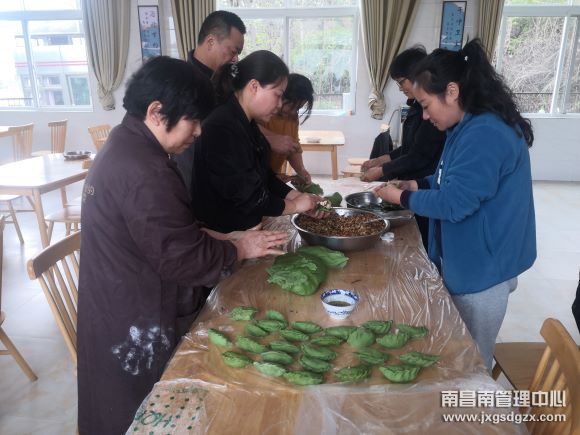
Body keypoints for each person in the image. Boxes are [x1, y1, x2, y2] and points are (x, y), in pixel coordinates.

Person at [77, 56, 289, 435]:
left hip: (115, 300)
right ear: (157, 112)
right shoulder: (145, 171)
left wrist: (222, 237)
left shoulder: (128, 144)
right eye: (193, 120)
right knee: (142, 414)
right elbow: (183, 259)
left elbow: (163, 231)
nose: (199, 132)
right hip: (133, 317)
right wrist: (241, 249)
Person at [374, 39, 537, 372]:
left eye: (425, 104)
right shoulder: (465, 125)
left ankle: (471, 405)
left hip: (483, 269)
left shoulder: (485, 133)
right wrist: (417, 185)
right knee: (456, 348)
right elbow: (450, 178)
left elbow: (455, 203)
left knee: (471, 361)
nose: (424, 114)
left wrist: (401, 197)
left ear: (451, 91)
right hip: (470, 257)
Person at [191, 50, 322, 233]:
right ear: (254, 86)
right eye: (277, 95)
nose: (279, 105)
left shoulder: (247, 123)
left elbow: (264, 177)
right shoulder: (222, 126)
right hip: (222, 235)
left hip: (244, 229)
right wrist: (294, 206)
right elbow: (250, 198)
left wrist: (296, 196)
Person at [174, 11, 300, 193]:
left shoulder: (226, 80)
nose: (235, 59)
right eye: (233, 51)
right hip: (195, 181)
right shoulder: (182, 83)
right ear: (211, 41)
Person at [362, 46, 446, 250]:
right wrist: (380, 160)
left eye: (401, 82)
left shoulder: (437, 115)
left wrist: (382, 172)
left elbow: (418, 156)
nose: (400, 88)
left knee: (421, 240)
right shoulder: (417, 107)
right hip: (419, 184)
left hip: (426, 189)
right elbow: (409, 148)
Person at [260, 73, 314, 184]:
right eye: (291, 106)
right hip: (256, 178)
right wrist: (271, 139)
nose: (294, 112)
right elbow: (248, 128)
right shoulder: (262, 112)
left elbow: (293, 147)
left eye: (298, 108)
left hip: (271, 179)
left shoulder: (292, 117)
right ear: (281, 96)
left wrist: (301, 170)